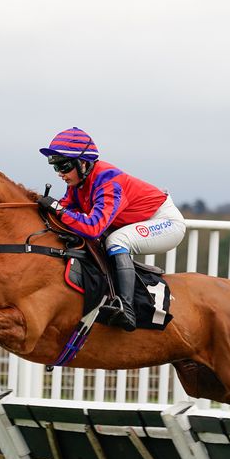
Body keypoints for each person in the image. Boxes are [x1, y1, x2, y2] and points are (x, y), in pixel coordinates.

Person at [37, 127, 186, 331]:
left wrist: (57, 208)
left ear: (83, 162)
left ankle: (126, 307)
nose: (60, 174)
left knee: (116, 240)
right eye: (55, 168)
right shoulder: (78, 183)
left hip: (166, 222)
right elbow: (64, 212)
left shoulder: (108, 180)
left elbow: (93, 228)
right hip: (135, 221)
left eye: (64, 166)